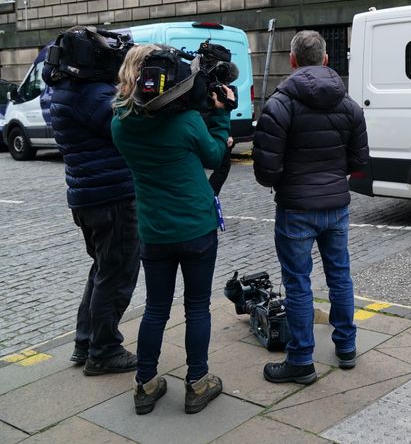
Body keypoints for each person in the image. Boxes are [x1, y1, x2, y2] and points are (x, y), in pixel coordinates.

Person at [111, 44, 234, 415]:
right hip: (196, 227)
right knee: (197, 308)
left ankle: (145, 384)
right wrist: (221, 116)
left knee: (156, 308)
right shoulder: (187, 121)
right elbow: (214, 155)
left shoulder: (119, 123)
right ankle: (198, 382)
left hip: (154, 230)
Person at [253, 30, 369, 384]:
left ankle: (301, 360)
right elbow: (359, 161)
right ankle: (346, 347)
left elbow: (266, 171)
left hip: (296, 208)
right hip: (336, 205)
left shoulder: (279, 104)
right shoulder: (348, 105)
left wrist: (291, 180)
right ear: (325, 59)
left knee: (298, 283)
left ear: (292, 60)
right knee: (340, 276)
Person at [42, 27, 140, 376]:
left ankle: (86, 342)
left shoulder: (64, 90)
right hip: (111, 196)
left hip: (88, 197)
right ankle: (104, 350)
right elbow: (131, 127)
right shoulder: (93, 95)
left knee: (102, 270)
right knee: (117, 273)